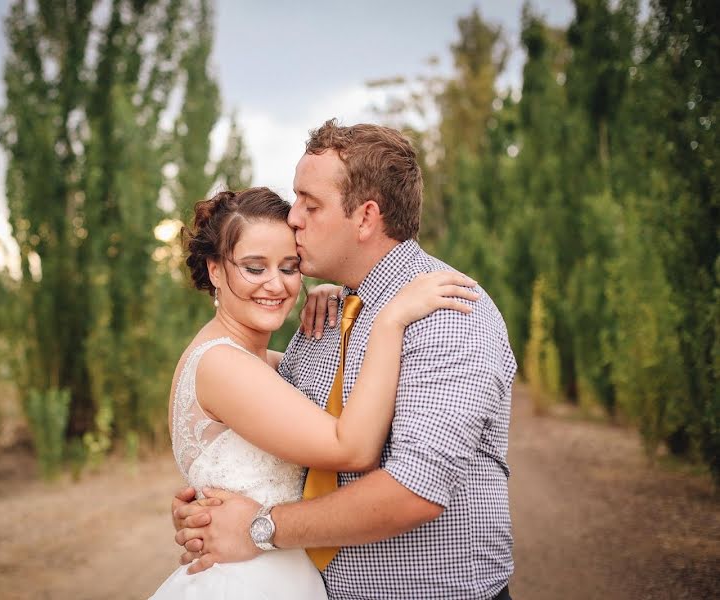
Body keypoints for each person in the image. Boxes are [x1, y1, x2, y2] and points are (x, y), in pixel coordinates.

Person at [173, 120, 517, 600]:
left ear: (366, 217)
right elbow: (278, 443)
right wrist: (205, 505)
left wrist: (257, 527)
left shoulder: (447, 312)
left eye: (309, 205)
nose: (293, 219)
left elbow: (415, 491)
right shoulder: (323, 319)